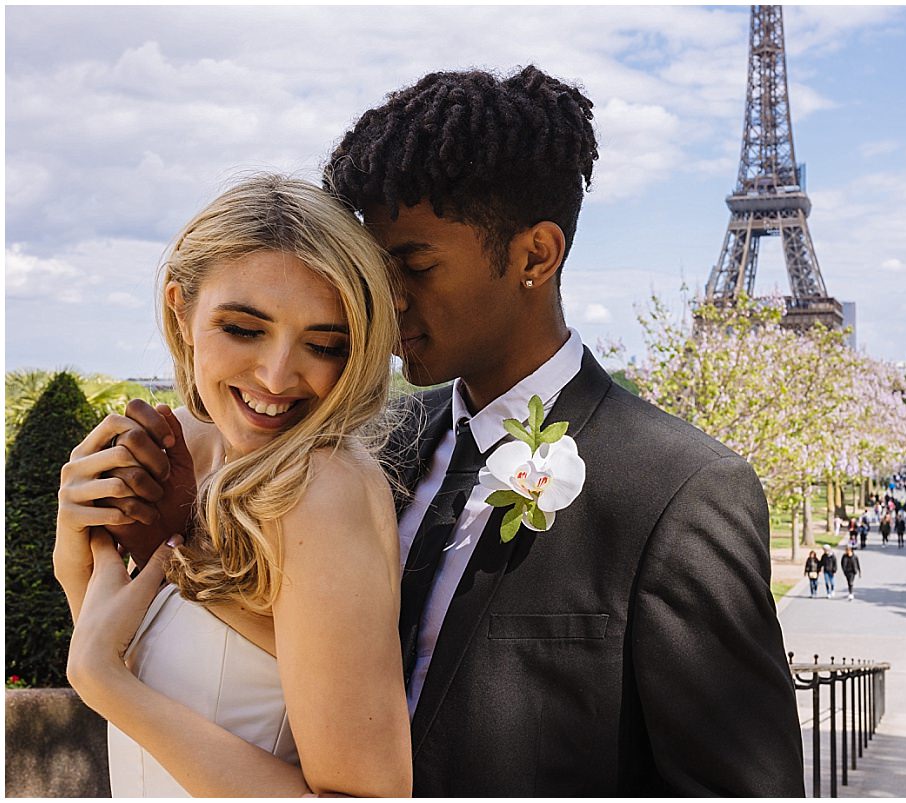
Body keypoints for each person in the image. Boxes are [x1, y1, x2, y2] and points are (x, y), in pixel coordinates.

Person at [324, 65, 806, 794]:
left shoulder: (682, 493)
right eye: (370, 270)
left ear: (535, 256)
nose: (384, 301)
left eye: (413, 266)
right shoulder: (374, 447)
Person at [53, 177, 412, 796]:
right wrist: (78, 559)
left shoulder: (321, 488)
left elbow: (366, 795)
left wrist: (100, 680)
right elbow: (151, 667)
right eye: (244, 329)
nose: (276, 376)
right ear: (180, 312)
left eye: (323, 344)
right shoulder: (184, 451)